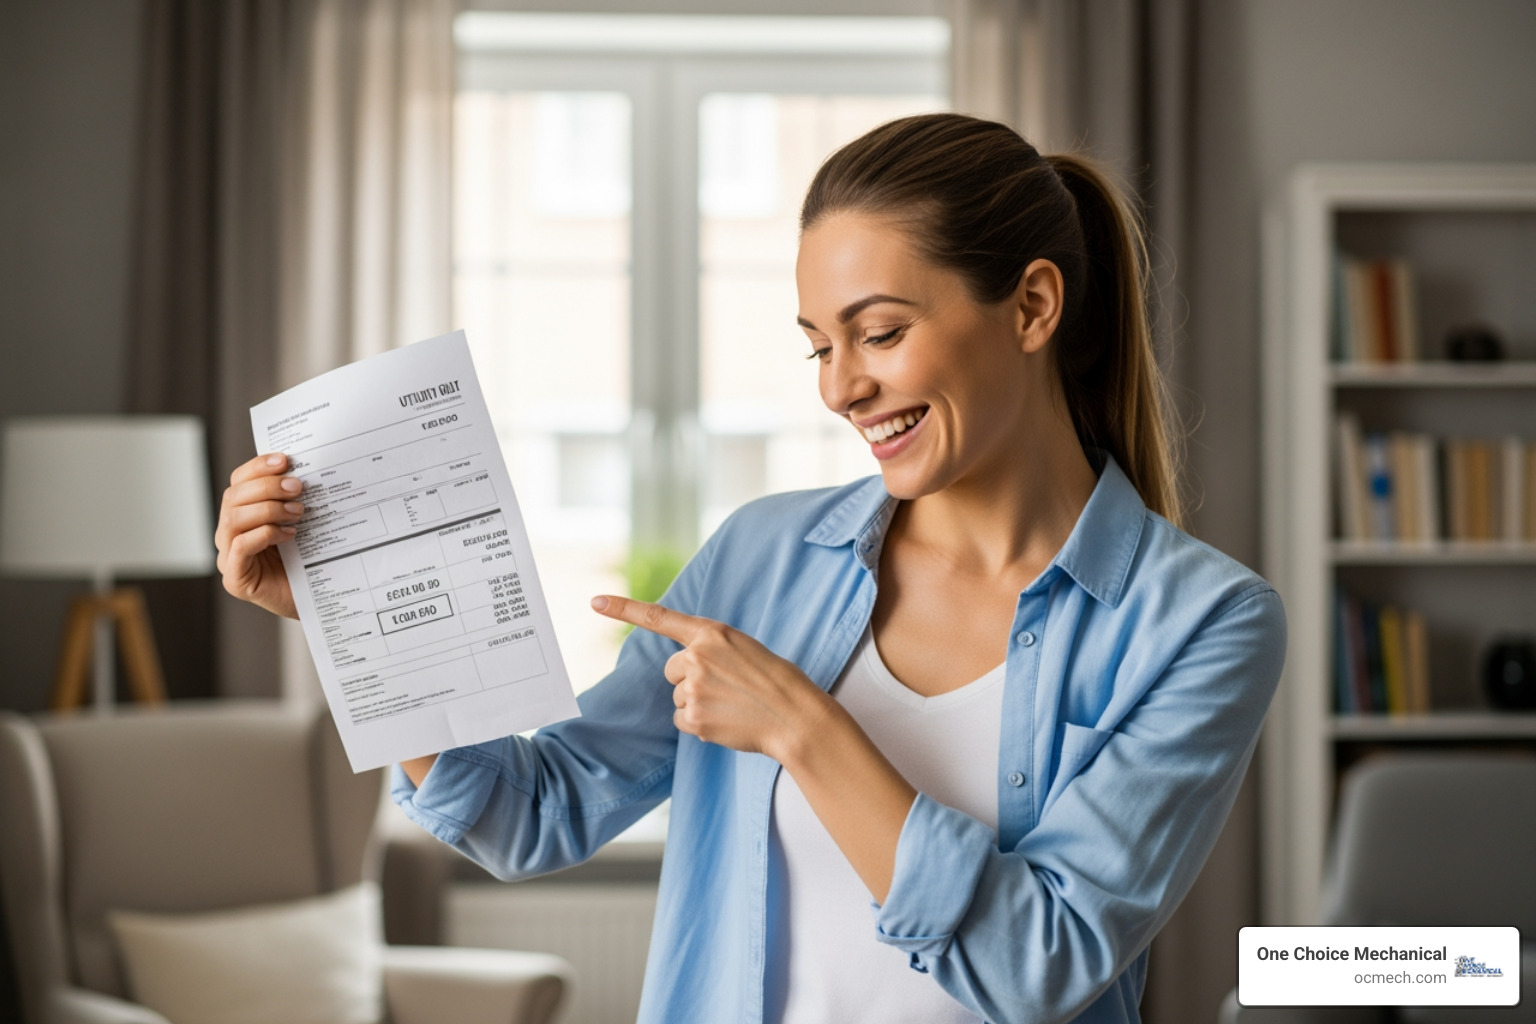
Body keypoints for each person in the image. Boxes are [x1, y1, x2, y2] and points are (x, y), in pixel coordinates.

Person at [215, 113, 1285, 1024]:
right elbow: (525, 812)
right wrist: (350, 609)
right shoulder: (763, 558)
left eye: (879, 333)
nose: (843, 389)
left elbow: (1038, 959)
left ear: (1033, 307)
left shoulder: (1202, 623)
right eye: (819, 346)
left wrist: (803, 728)